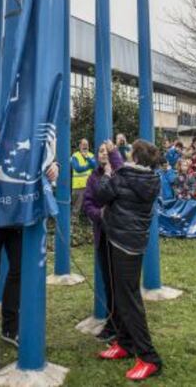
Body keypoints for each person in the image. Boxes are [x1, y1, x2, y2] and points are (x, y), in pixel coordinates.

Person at [0, 125, 59, 374]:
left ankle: (11, 327)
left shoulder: (32, 135)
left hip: (15, 216)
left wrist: (54, 167)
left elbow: (48, 159)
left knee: (18, 270)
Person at [96, 139, 162, 380]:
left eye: (130, 152)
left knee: (130, 300)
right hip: (131, 242)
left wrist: (106, 173)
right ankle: (125, 343)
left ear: (135, 157)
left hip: (122, 243)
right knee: (123, 297)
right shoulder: (151, 178)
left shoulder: (123, 175)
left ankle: (149, 357)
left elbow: (102, 194)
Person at [82, 139, 124, 342]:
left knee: (122, 283)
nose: (104, 153)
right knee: (109, 282)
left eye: (107, 151)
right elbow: (88, 204)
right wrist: (100, 215)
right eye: (100, 151)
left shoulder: (122, 173)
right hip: (104, 235)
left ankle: (122, 324)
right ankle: (113, 322)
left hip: (121, 236)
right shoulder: (93, 178)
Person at [70, 138, 96, 214]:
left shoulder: (91, 155)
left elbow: (94, 166)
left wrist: (87, 158)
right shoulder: (75, 155)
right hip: (78, 186)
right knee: (76, 207)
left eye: (87, 145)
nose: (85, 146)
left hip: (89, 185)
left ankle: (92, 223)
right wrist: (89, 166)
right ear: (80, 146)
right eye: (83, 144)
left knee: (91, 206)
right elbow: (77, 168)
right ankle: (74, 223)